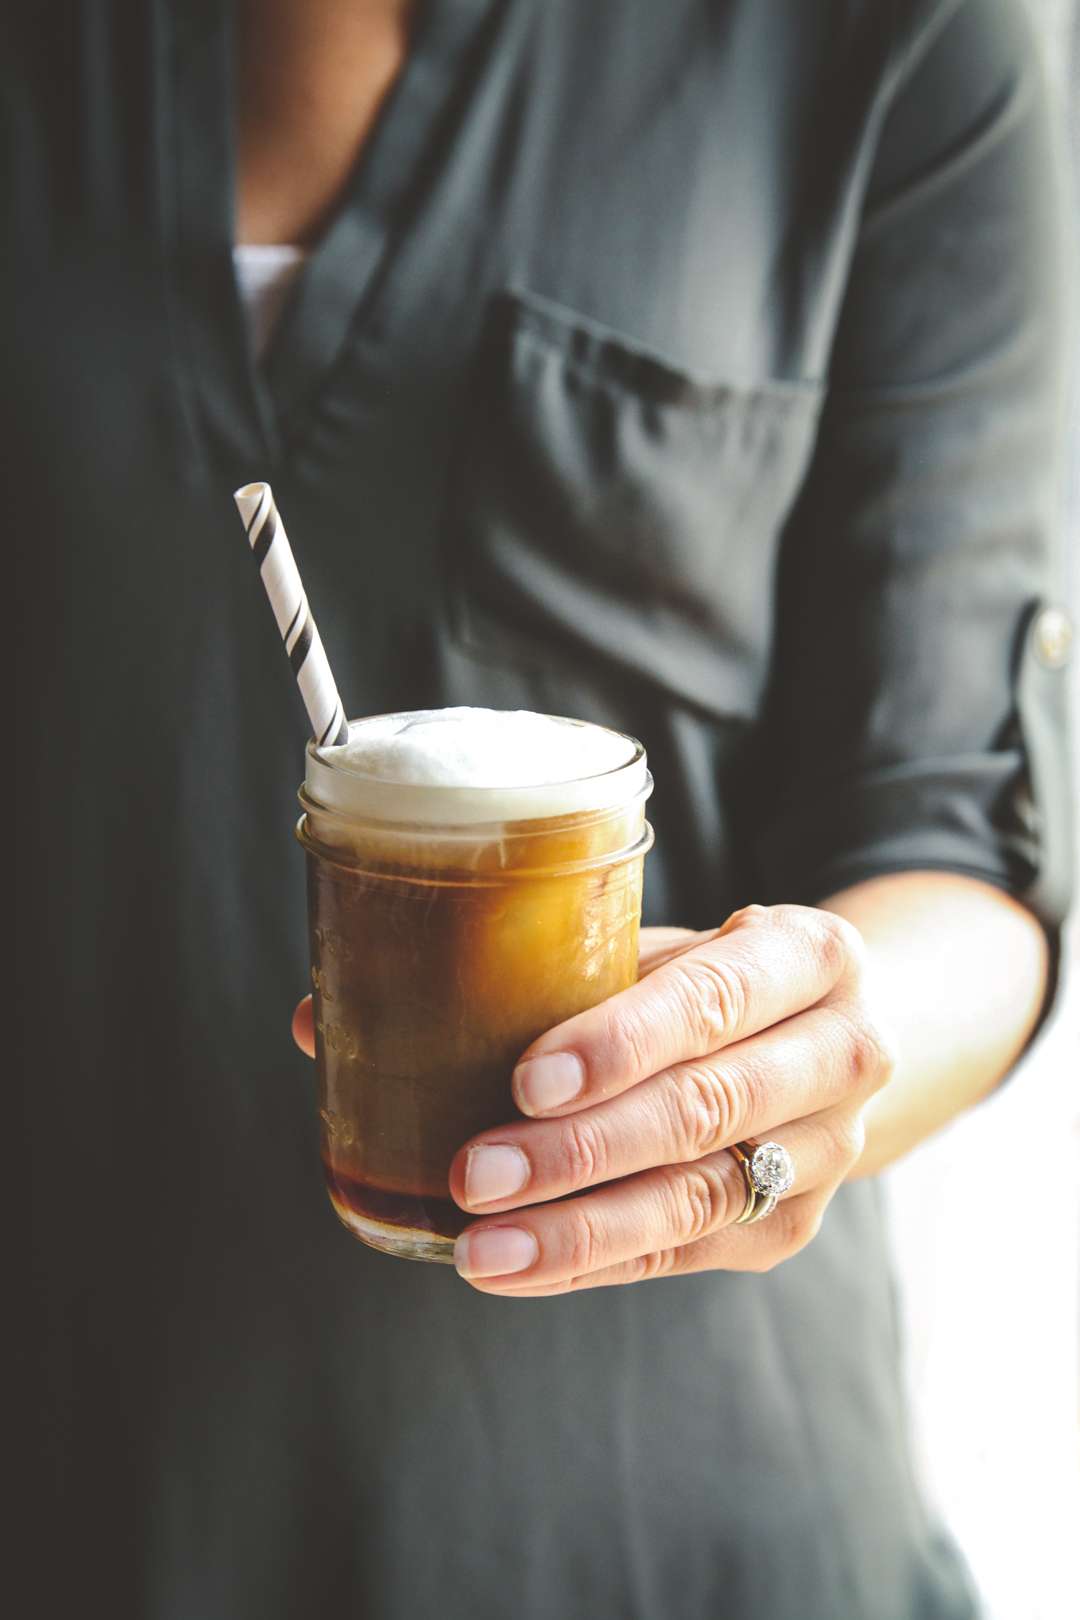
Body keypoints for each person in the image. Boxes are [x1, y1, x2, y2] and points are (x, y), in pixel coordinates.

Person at [11, 1, 1072, 1617]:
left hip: (671, 1516)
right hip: (79, 1476)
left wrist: (791, 1060)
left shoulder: (898, 36)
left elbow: (957, 839)